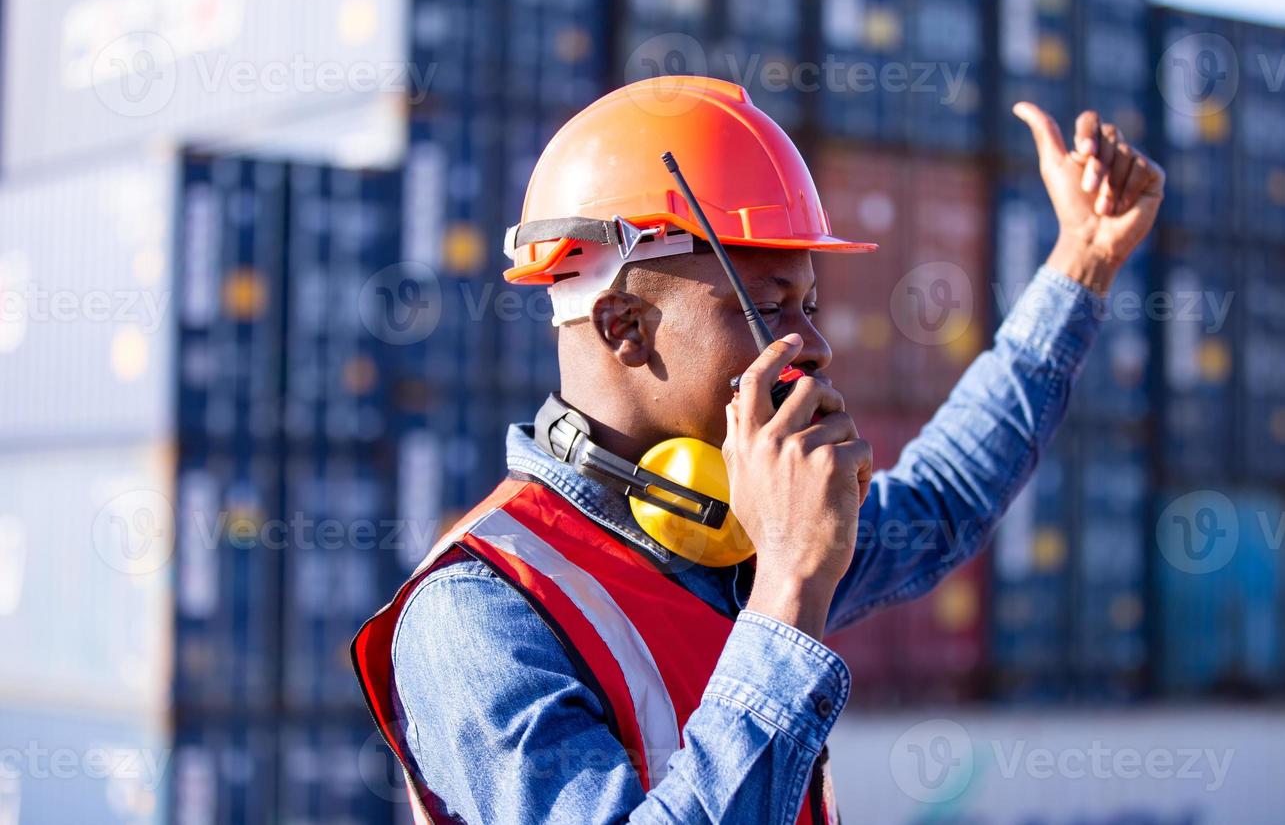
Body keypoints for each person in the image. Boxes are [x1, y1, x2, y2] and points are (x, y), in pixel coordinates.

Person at [354, 77, 1164, 824]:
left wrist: (1083, 263)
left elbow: (940, 501)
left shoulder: (729, 531)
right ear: (625, 327)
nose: (813, 345)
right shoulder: (480, 613)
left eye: (809, 303)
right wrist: (789, 586)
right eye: (770, 307)